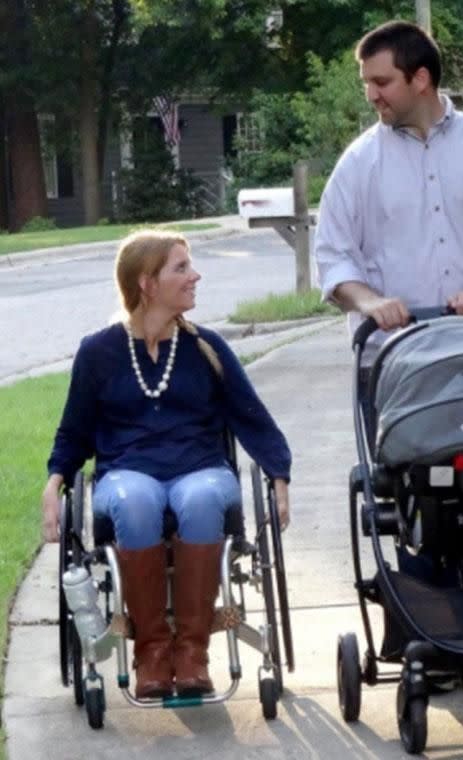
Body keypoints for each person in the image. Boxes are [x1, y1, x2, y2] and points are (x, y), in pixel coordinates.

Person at [315, 20, 463, 586]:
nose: (372, 94)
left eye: (382, 81)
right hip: (396, 361)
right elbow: (334, 256)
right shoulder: (359, 164)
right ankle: (424, 602)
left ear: (420, 78)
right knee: (406, 490)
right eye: (367, 82)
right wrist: (371, 302)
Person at [42, 229, 291, 699]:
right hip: (127, 473)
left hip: (200, 468)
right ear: (147, 283)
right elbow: (74, 431)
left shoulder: (206, 348)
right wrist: (54, 484)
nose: (195, 276)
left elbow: (251, 417)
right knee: (136, 501)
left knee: (199, 499)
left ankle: (192, 651)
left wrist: (279, 475)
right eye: (181, 267)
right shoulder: (98, 352)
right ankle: (152, 652)